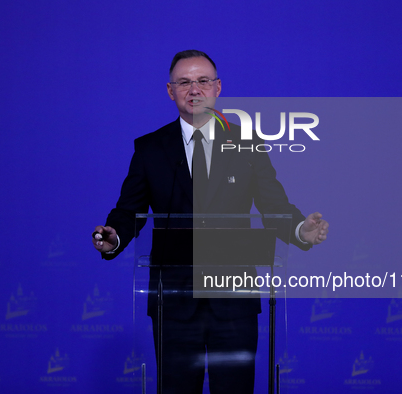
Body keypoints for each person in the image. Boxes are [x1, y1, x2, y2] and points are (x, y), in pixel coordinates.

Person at [93, 50, 329, 394]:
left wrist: (299, 229)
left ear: (218, 88)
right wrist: (114, 237)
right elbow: (128, 212)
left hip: (233, 300)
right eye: (184, 82)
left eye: (203, 81)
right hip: (173, 302)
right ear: (170, 91)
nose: (194, 89)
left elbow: (274, 204)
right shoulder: (150, 148)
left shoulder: (247, 143)